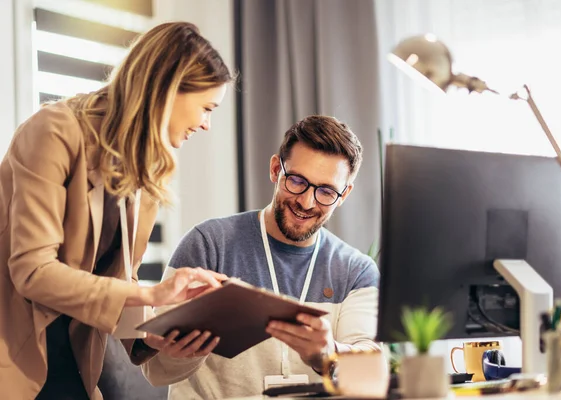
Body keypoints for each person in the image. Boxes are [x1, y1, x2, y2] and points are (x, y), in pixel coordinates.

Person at [0, 22, 233, 399]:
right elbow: (33, 271)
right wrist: (153, 294)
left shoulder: (146, 171)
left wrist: (158, 337)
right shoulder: (54, 131)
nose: (206, 125)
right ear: (169, 88)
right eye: (207, 108)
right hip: (15, 351)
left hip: (73, 357)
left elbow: (118, 279)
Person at [142, 115, 381, 399]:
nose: (306, 202)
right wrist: (188, 350)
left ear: (344, 195)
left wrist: (328, 355)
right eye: (296, 181)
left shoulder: (356, 271)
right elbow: (155, 371)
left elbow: (370, 380)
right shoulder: (209, 245)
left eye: (326, 191)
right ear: (275, 169)